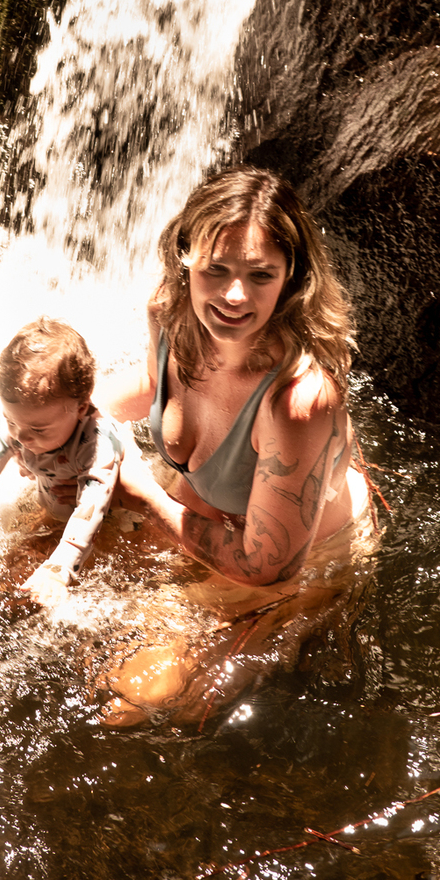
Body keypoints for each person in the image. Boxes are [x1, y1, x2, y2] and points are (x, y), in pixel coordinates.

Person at [96, 167, 377, 724]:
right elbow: (154, 382)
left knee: (130, 702)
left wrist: (148, 495)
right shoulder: (170, 314)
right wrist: (84, 421)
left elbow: (265, 564)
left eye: (260, 275)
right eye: (215, 270)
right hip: (195, 507)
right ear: (184, 259)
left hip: (297, 563)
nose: (233, 295)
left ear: (291, 277)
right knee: (10, 586)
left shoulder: (299, 401)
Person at [0, 316, 128, 611]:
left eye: (38, 430)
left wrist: (60, 567)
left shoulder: (99, 441)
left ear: (80, 408)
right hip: (57, 514)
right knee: (6, 582)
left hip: (111, 525)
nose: (21, 436)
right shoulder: (24, 424)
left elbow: (91, 509)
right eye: (9, 420)